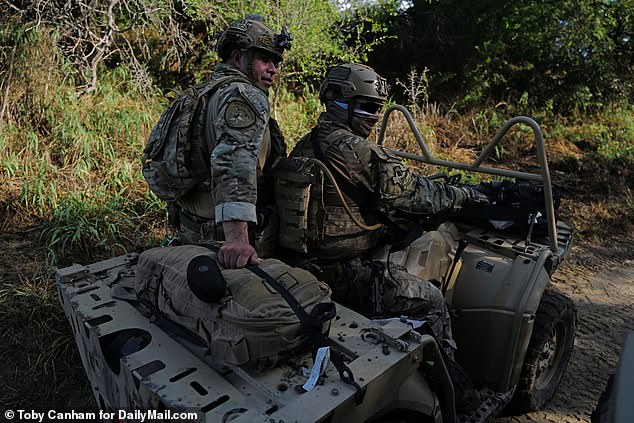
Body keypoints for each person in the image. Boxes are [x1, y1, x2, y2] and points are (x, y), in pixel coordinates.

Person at [279, 63, 489, 358]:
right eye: (367, 106)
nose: (375, 117)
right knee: (433, 302)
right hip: (345, 274)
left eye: (379, 108)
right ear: (338, 100)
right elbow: (417, 196)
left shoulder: (307, 142)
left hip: (305, 264)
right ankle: (450, 389)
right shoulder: (359, 151)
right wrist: (466, 194)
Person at [174, 15, 291, 268]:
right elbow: (234, 160)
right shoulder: (246, 95)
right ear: (238, 58)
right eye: (264, 59)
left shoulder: (206, 91)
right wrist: (237, 238)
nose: (273, 69)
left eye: (275, 61)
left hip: (192, 227)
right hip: (223, 240)